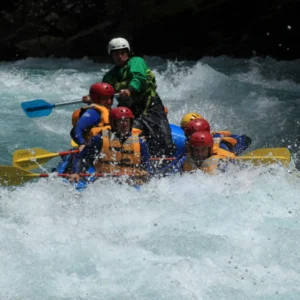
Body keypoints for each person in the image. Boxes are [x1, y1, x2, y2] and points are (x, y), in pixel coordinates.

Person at [100, 37, 176, 157]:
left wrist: (129, 90)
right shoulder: (110, 76)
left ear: (128, 53)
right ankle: (123, 158)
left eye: (122, 53)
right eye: (116, 54)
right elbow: (104, 92)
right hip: (128, 109)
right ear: (112, 56)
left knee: (163, 138)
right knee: (123, 133)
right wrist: (93, 97)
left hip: (150, 105)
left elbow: (139, 77)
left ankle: (167, 158)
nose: (119, 56)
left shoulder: (136, 61)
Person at [68, 107, 153, 184]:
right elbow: (81, 158)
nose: (125, 124)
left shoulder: (140, 142)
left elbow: (147, 166)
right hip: (105, 182)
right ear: (113, 123)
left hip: (130, 183)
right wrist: (76, 172)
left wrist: (146, 174)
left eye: (127, 121)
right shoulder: (99, 139)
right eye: (121, 121)